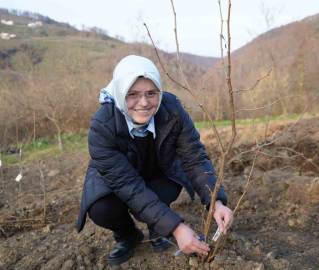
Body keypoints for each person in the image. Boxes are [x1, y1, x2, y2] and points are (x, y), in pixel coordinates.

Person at [77, 55, 233, 266]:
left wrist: (216, 201)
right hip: (117, 179)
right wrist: (177, 228)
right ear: (121, 93)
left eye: (151, 93)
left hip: (156, 171)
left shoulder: (173, 110)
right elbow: (128, 185)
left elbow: (194, 157)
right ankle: (127, 235)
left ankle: (156, 228)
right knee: (102, 209)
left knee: (168, 188)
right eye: (133, 94)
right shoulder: (102, 126)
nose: (143, 103)